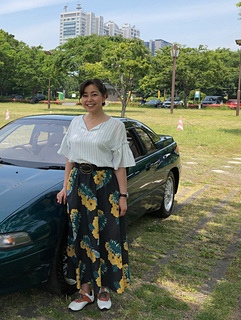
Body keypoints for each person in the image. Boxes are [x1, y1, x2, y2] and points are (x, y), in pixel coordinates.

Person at [56, 79, 135, 312]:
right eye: (84, 95)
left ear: (104, 98)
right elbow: (69, 158)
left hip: (104, 187)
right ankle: (85, 291)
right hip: (77, 185)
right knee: (80, 237)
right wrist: (64, 188)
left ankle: (104, 289)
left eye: (94, 94)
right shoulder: (74, 122)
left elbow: (120, 165)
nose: (89, 99)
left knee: (105, 235)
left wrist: (123, 196)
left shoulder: (115, 127)